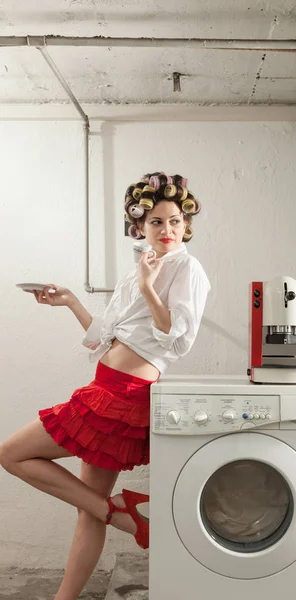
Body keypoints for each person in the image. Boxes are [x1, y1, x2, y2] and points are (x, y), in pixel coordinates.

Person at [0, 172, 210, 600]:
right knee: (88, 511)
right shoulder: (141, 267)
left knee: (10, 453)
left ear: (185, 224)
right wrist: (72, 301)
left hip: (122, 397)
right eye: (156, 223)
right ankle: (92, 559)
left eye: (174, 221)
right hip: (106, 391)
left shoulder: (186, 268)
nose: (167, 230)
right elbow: (109, 337)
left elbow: (179, 337)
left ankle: (125, 518)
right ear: (139, 227)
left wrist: (151, 287)